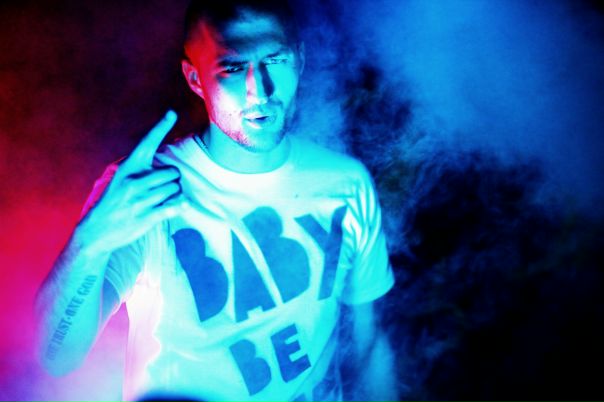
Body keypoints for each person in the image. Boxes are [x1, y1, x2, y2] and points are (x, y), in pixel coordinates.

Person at [35, 0, 398, 401]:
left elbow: (371, 344)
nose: (260, 90)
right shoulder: (144, 195)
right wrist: (91, 242)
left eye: (274, 60)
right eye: (233, 68)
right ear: (195, 79)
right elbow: (57, 357)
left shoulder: (346, 182)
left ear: (299, 60)